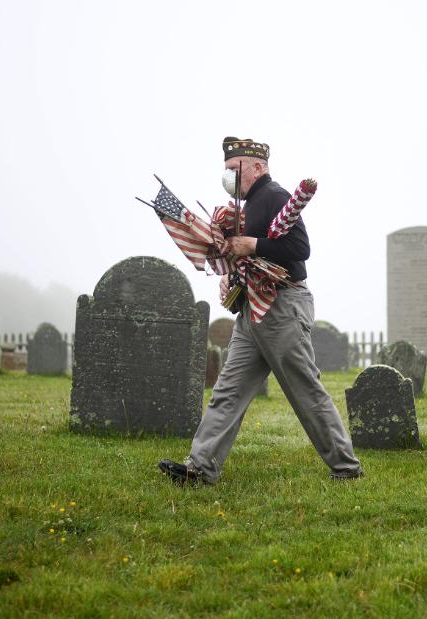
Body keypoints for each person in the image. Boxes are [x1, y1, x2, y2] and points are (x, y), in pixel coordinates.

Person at [158, 137, 363, 485]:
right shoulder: (247, 205)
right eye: (225, 169)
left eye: (233, 168)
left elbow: (300, 249)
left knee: (305, 390)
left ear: (258, 167)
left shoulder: (274, 197)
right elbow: (250, 260)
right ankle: (200, 467)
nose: (228, 175)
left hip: (282, 308)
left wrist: (252, 244)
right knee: (228, 390)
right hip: (252, 310)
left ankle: (346, 467)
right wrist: (230, 278)